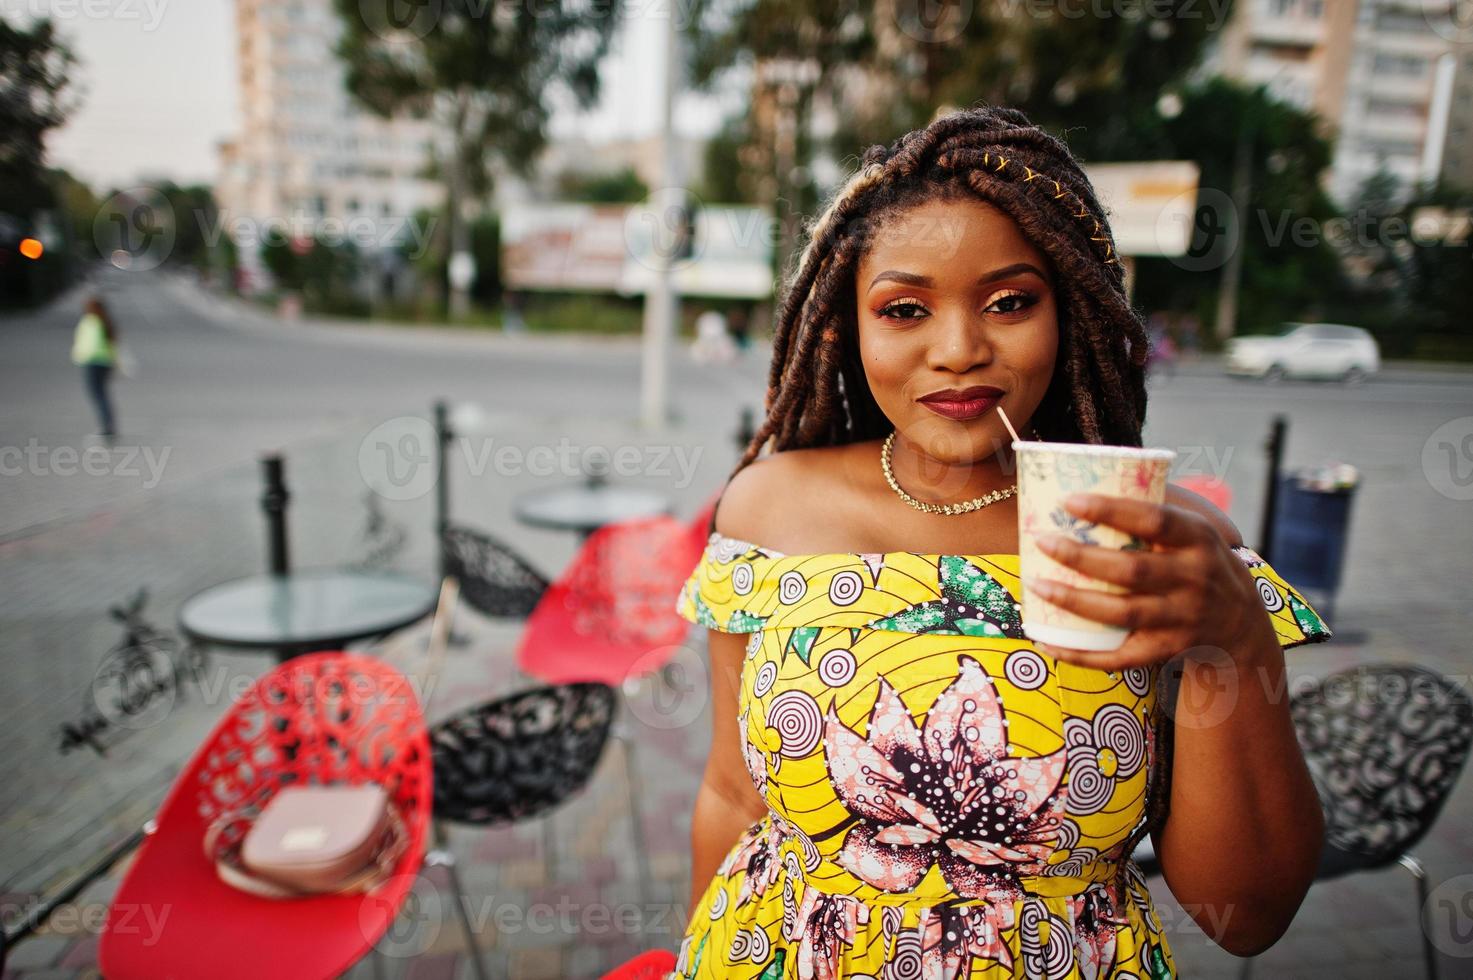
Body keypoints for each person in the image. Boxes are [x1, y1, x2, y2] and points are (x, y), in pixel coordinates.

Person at [670, 107, 1331, 979]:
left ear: (1072, 313)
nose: (958, 349)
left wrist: (1232, 637)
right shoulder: (766, 510)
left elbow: (1247, 918)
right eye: (904, 308)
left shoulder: (1170, 551)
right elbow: (730, 791)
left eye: (1010, 302)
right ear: (847, 322)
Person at [71, 295, 119, 443]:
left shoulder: (91, 322)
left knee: (97, 395)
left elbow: (89, 344)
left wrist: (80, 356)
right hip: (105, 362)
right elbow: (113, 345)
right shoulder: (106, 322)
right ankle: (108, 426)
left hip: (92, 362)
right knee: (102, 395)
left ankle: (106, 428)